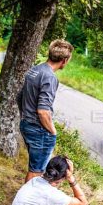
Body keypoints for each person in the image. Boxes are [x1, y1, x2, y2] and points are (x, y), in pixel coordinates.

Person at [17, 39, 74, 183]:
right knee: (37, 171)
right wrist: (52, 131)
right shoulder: (49, 77)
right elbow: (43, 111)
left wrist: (26, 117)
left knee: (34, 167)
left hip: (26, 124)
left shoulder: (35, 70)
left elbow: (20, 97)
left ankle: (27, 199)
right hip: (39, 130)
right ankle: (27, 202)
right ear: (65, 60)